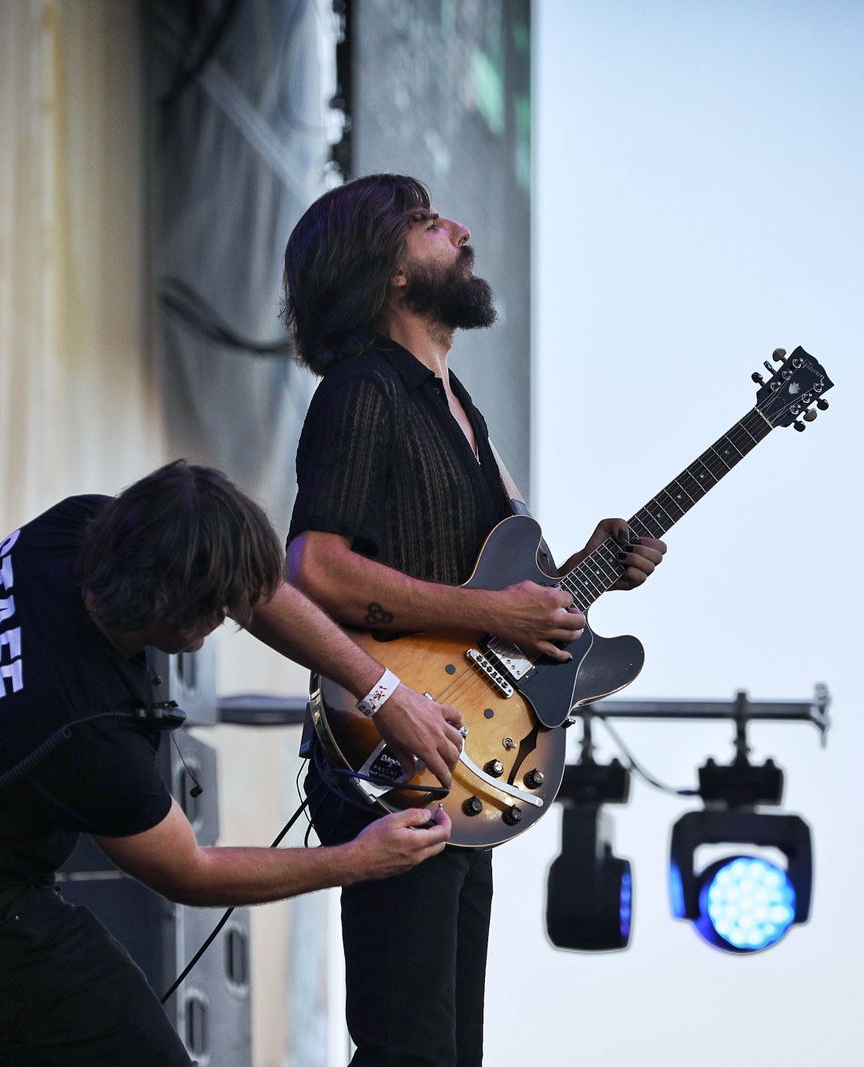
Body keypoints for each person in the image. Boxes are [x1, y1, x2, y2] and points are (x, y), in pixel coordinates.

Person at [0, 460, 469, 1065]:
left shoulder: (76, 529)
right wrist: (357, 860)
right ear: (177, 615)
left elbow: (255, 587)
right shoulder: (86, 731)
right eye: (223, 611)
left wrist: (382, 690)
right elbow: (189, 872)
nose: (234, 617)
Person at [281, 173, 667, 1066]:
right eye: (424, 223)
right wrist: (495, 608)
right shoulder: (364, 389)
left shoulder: (466, 415)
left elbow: (492, 616)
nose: (458, 227)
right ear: (391, 276)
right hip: (391, 747)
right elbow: (314, 566)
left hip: (464, 756)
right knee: (408, 1050)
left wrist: (590, 568)